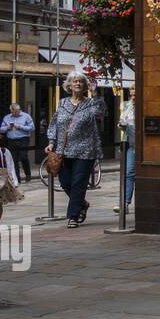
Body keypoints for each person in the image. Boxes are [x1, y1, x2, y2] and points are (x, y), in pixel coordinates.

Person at [44, 71, 105, 228]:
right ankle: (82, 204)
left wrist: (96, 93)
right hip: (63, 150)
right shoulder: (62, 103)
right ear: (69, 85)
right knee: (65, 182)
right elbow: (55, 123)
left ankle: (72, 216)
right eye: (75, 81)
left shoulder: (91, 103)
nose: (77, 83)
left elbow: (102, 112)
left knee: (78, 183)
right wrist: (51, 142)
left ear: (85, 86)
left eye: (81, 82)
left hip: (85, 150)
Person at [1, 102, 35, 182]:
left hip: (23, 139)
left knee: (24, 157)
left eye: (16, 112)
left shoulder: (26, 116)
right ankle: (17, 178)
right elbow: (1, 129)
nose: (14, 113)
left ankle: (28, 174)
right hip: (11, 140)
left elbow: (32, 127)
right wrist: (7, 127)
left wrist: (20, 127)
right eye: (12, 112)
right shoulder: (7, 117)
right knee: (14, 159)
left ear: (19, 110)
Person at [115, 89, 135, 215]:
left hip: (142, 143)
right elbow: (122, 121)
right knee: (129, 173)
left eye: (136, 95)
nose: (133, 98)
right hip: (130, 143)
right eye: (131, 95)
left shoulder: (145, 105)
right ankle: (125, 203)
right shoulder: (127, 106)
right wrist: (122, 124)